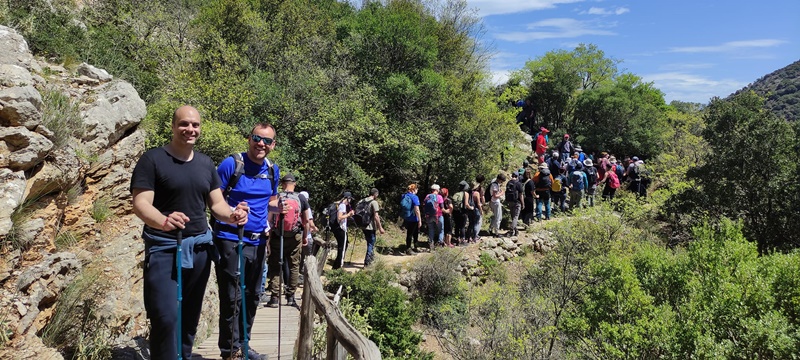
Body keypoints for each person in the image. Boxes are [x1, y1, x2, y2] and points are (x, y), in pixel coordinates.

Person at [131, 105, 249, 360]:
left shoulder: (206, 164)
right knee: (165, 316)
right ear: (173, 127)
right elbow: (141, 203)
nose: (190, 129)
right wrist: (163, 220)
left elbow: (217, 205)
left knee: (189, 317)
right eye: (184, 124)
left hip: (199, 250)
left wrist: (233, 214)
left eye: (195, 125)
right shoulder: (152, 160)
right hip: (164, 248)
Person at [212, 123, 280, 360]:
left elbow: (270, 201)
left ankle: (244, 344)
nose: (261, 144)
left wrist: (281, 207)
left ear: (273, 144)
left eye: (267, 140)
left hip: (258, 241)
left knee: (252, 294)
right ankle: (230, 350)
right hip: (230, 238)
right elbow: (213, 200)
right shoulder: (232, 164)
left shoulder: (272, 170)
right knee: (232, 296)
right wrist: (232, 211)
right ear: (249, 138)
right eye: (256, 138)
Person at [265, 174, 310, 308]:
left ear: (282, 184)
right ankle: (290, 297)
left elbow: (269, 220)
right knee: (294, 265)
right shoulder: (301, 198)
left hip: (278, 235)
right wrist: (305, 237)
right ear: (294, 184)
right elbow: (306, 220)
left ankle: (274, 297)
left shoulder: (277, 198)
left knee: (275, 265)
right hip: (294, 236)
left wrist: (268, 238)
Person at [360, 188, 385, 266]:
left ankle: (371, 258)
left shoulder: (362, 201)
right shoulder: (374, 202)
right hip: (370, 226)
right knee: (371, 243)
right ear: (375, 194)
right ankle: (367, 262)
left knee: (369, 242)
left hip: (362, 225)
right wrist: (380, 227)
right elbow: (376, 217)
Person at [331, 192, 354, 269]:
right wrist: (348, 215)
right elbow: (339, 217)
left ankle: (336, 266)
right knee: (343, 247)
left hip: (338, 229)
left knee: (343, 246)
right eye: (350, 199)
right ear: (347, 198)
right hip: (341, 229)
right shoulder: (342, 205)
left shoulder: (340, 204)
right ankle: (339, 267)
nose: (350, 201)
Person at [400, 184, 422, 255]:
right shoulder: (414, 197)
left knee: (412, 232)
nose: (417, 190)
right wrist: (420, 220)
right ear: (413, 189)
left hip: (406, 217)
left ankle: (414, 246)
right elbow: (417, 209)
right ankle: (409, 249)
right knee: (411, 233)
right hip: (413, 218)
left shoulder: (404, 196)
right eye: (416, 189)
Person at [423, 184, 444, 248]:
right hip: (438, 216)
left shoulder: (427, 196)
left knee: (431, 229)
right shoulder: (439, 197)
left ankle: (431, 244)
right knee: (441, 230)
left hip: (429, 216)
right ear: (437, 190)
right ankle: (440, 243)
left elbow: (424, 205)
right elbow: (442, 207)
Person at [453, 180, 473, 245]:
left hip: (455, 212)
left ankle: (457, 239)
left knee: (457, 226)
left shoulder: (456, 194)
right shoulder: (466, 194)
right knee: (462, 226)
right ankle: (462, 241)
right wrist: (471, 208)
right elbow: (466, 204)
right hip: (463, 212)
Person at [505, 172, 524, 236]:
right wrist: (523, 203)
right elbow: (521, 195)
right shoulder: (518, 183)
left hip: (510, 202)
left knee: (513, 216)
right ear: (517, 176)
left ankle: (516, 231)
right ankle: (511, 230)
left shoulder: (508, 183)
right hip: (517, 202)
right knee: (516, 217)